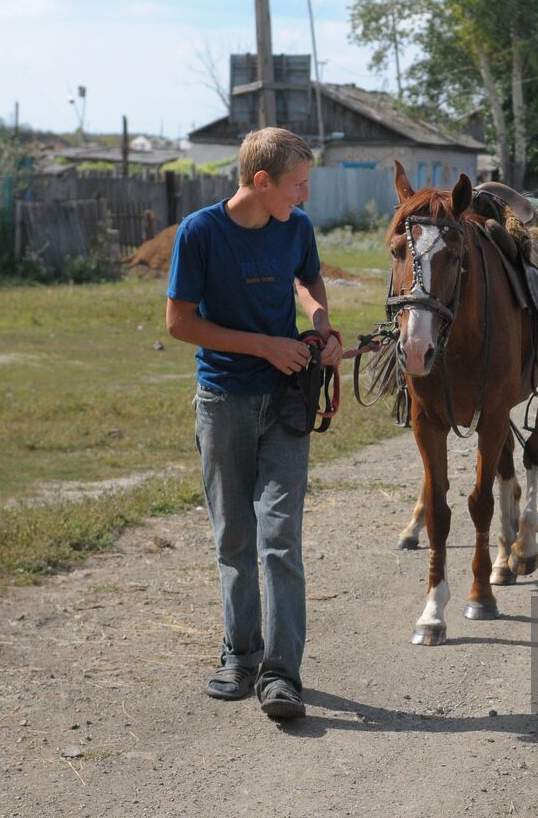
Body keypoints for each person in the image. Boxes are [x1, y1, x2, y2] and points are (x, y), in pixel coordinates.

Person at [165, 127, 342, 721]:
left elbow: (310, 280)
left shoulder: (296, 229)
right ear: (261, 181)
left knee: (280, 539)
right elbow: (180, 324)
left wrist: (319, 324)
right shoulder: (200, 233)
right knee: (234, 538)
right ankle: (240, 654)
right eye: (298, 184)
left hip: (287, 400)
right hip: (224, 403)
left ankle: (282, 673)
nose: (306, 195)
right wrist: (265, 346)